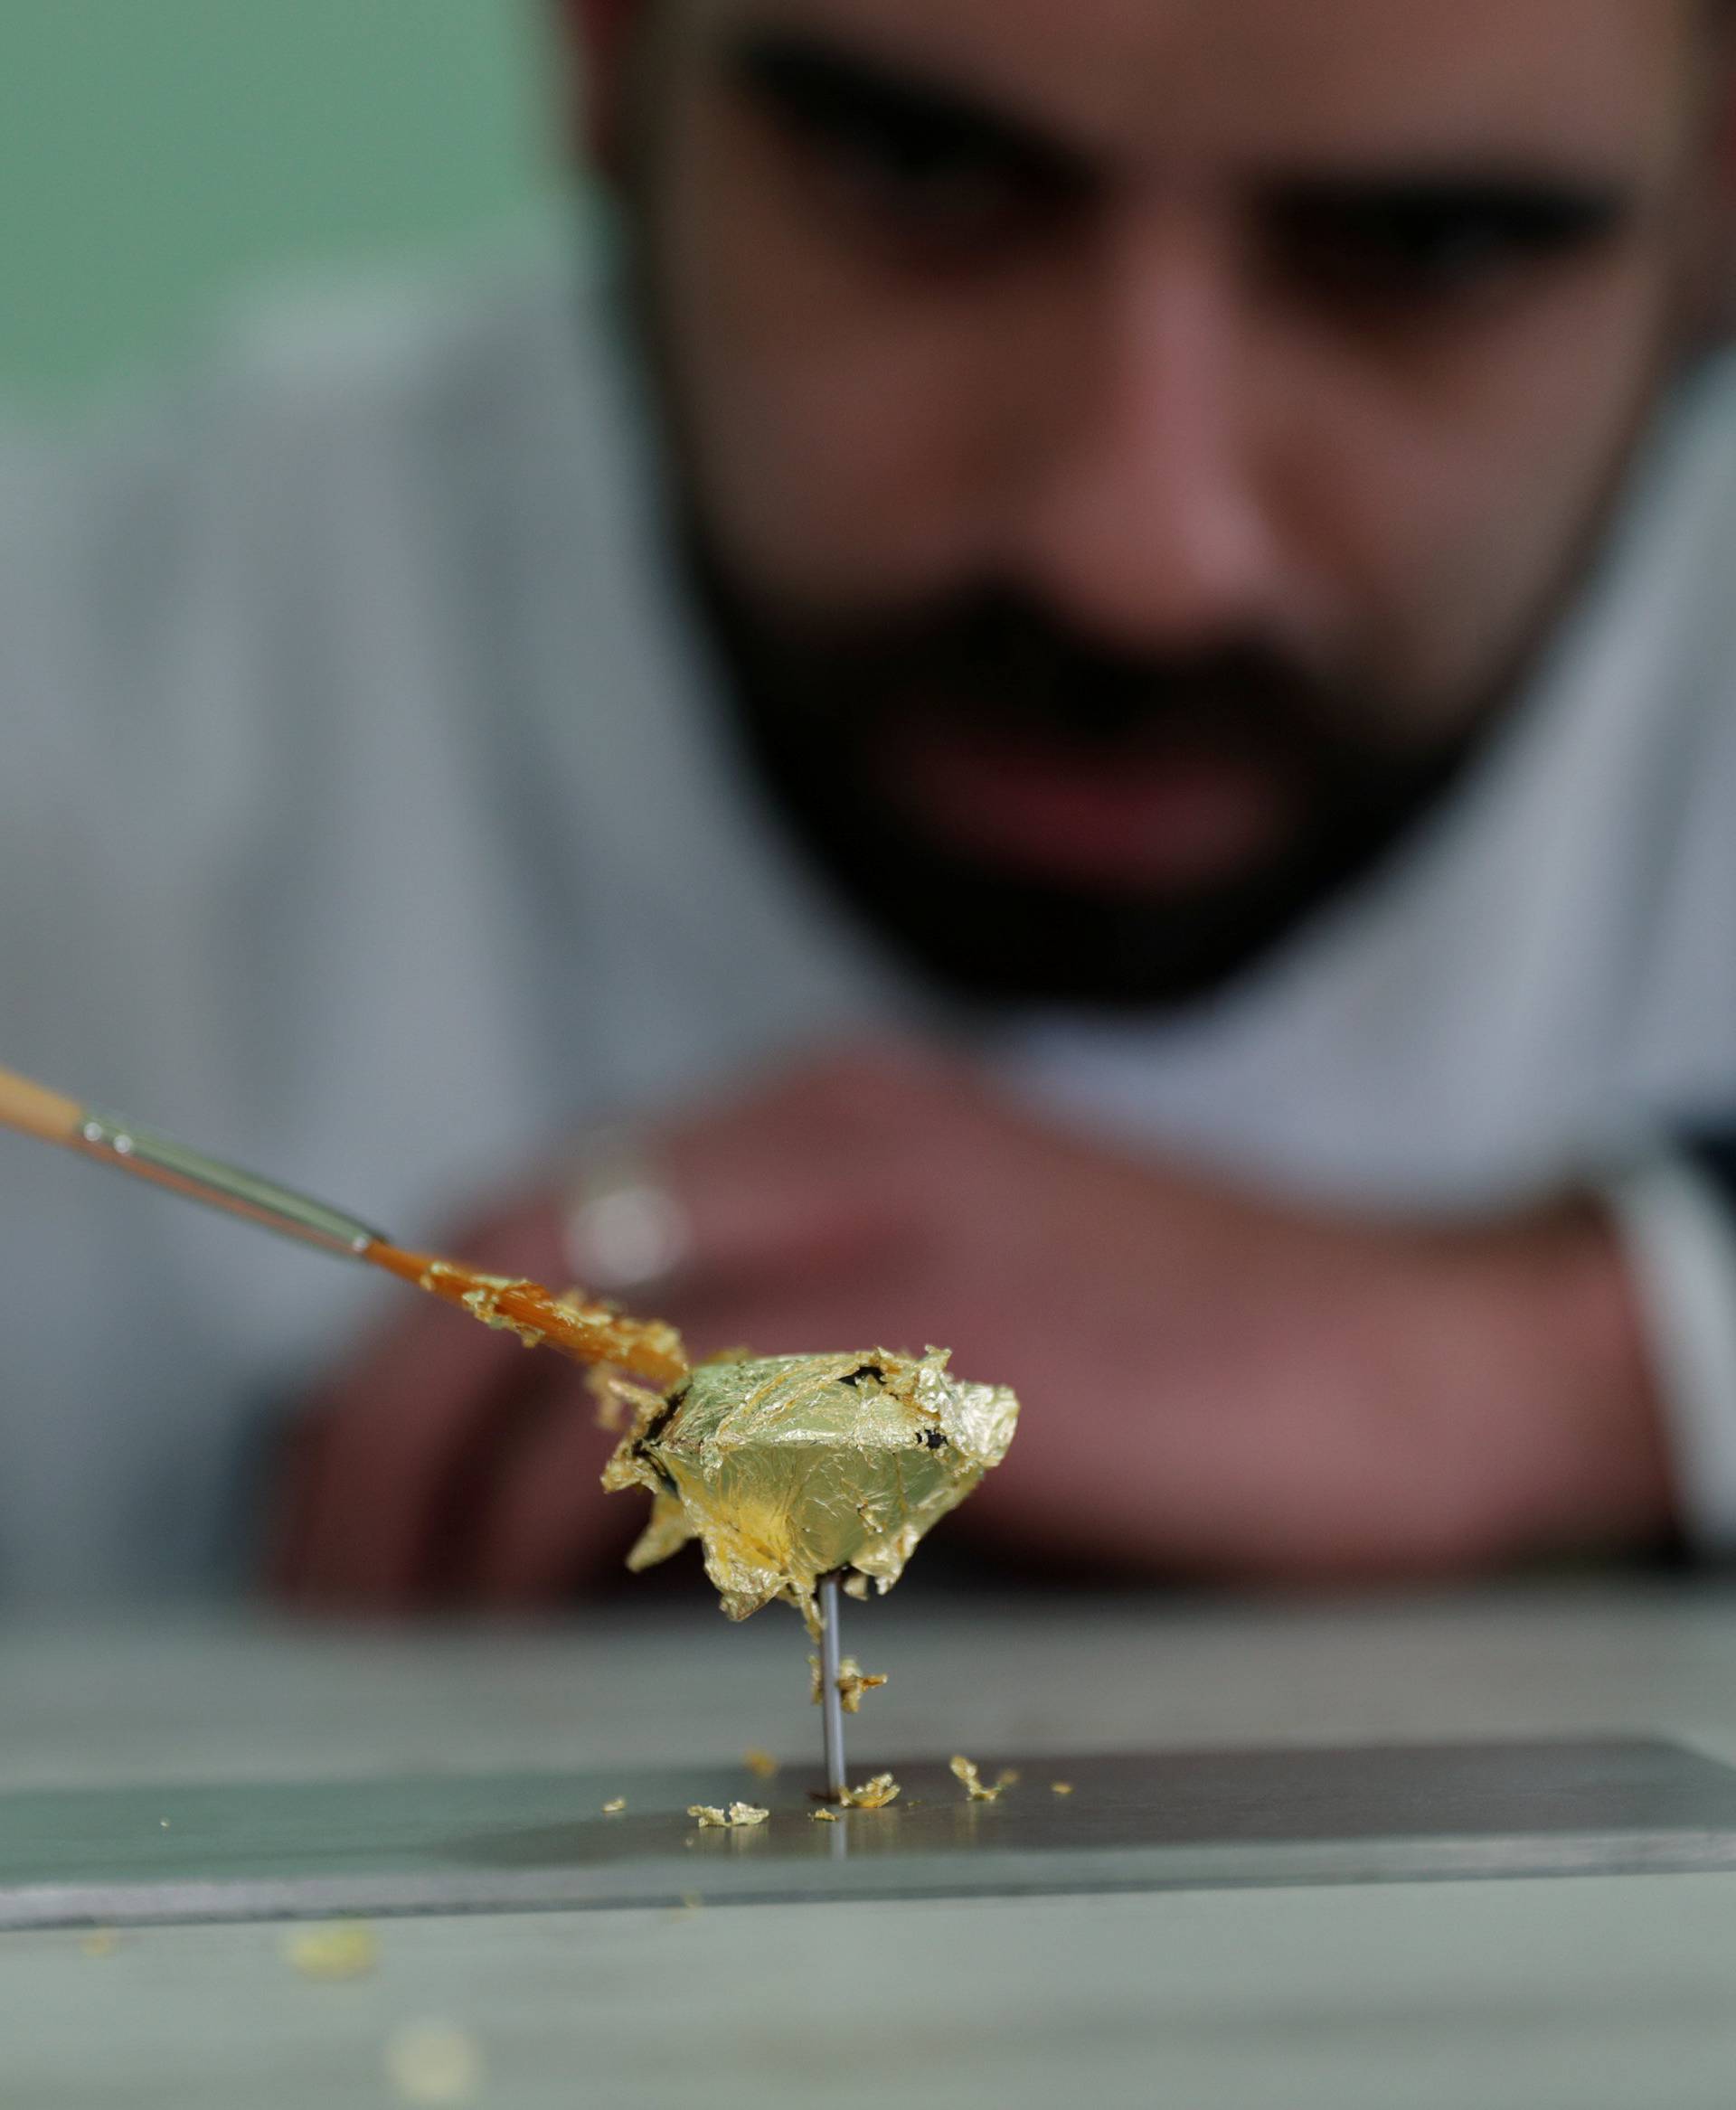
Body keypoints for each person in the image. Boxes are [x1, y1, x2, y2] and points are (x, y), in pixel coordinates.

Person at [2, 0, 1734, 1607]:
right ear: (605, 44)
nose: (1143, 549)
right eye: (919, 171)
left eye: (1437, 250)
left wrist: (1603, 1347)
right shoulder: (78, 709)